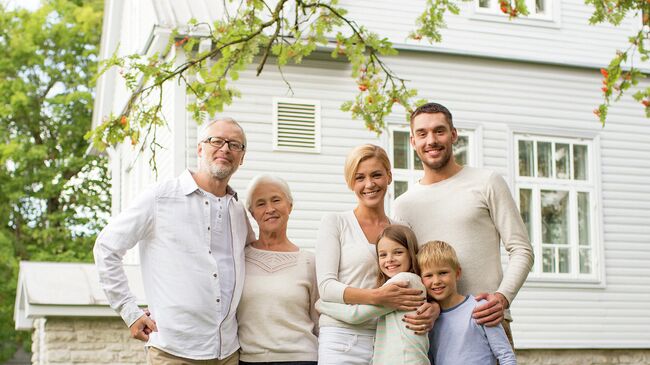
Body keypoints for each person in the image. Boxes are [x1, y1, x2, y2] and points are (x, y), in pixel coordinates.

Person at [94, 117, 254, 365]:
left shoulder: (238, 212)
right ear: (200, 148)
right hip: (173, 352)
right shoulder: (160, 197)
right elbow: (106, 247)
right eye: (216, 141)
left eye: (235, 145)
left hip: (228, 353)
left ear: (242, 157)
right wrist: (130, 311)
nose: (225, 149)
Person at [392, 102, 534, 345]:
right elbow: (408, 270)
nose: (431, 140)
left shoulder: (487, 182)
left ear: (453, 134)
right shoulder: (403, 204)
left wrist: (502, 298)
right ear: (412, 142)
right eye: (422, 133)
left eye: (439, 131)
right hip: (432, 330)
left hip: (486, 321)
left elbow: (522, 249)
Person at [316, 144, 437, 365]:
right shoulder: (335, 222)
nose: (369, 184)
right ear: (350, 182)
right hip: (342, 338)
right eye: (360, 177)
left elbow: (419, 277)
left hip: (390, 336)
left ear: (389, 176)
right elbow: (326, 287)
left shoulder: (402, 229)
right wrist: (377, 296)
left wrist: (434, 307)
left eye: (376, 175)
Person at [317, 225, 431, 365]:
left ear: (411, 253)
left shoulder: (403, 282)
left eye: (398, 252)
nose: (389, 259)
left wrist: (321, 304)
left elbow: (354, 315)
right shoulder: (414, 281)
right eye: (383, 254)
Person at [237, 174, 319, 365]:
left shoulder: (309, 261)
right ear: (252, 212)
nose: (270, 209)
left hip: (301, 359)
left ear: (290, 206)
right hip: (249, 360)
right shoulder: (239, 258)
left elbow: (319, 322)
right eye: (260, 203)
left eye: (276, 200)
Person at [418, 240, 516, 365]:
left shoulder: (480, 309)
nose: (436, 281)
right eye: (428, 275)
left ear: (457, 273)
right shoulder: (429, 321)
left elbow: (506, 356)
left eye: (443, 273)